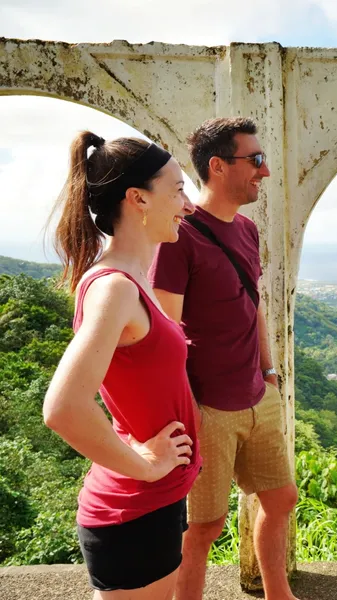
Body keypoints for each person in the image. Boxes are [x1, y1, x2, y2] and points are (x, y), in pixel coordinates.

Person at [43, 132, 200, 599]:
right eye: (176, 190)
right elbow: (63, 408)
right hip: (134, 507)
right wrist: (145, 467)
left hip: (154, 501)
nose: (187, 205)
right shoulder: (116, 288)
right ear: (137, 199)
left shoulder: (134, 279)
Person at [149, 117, 299, 600]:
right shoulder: (180, 236)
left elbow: (253, 305)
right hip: (208, 407)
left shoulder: (248, 232)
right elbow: (165, 333)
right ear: (217, 166)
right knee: (203, 528)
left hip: (258, 395)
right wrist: (185, 406)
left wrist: (270, 372)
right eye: (255, 159)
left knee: (280, 500)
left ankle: (279, 594)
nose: (266, 171)